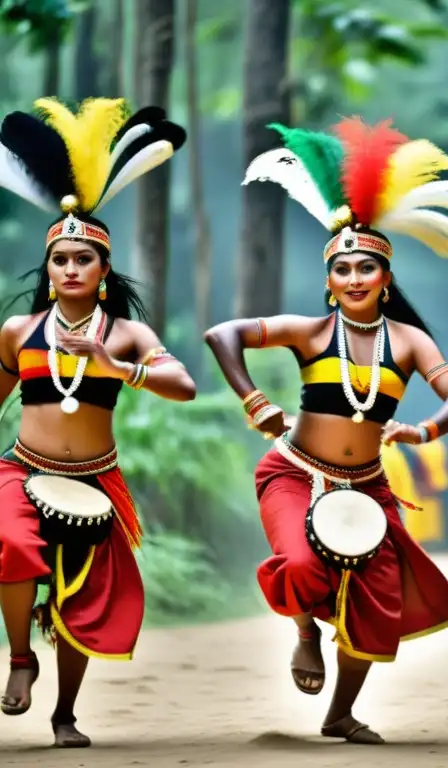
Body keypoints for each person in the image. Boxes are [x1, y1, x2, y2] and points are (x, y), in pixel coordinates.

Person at [204, 117, 448, 744]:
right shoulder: (311, 333)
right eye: (345, 270)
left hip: (367, 485)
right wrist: (256, 400)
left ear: (386, 280)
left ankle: (340, 713)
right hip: (294, 473)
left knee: (380, 598)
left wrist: (418, 432)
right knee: (301, 563)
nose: (357, 278)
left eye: (369, 268)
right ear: (330, 281)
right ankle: (306, 630)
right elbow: (222, 335)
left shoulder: (412, 341)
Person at [0, 97, 195, 747]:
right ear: (50, 269)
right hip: (21, 470)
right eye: (61, 260)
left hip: (94, 479)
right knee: (15, 547)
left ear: (103, 272)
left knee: (83, 601)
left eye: (84, 260)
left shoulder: (128, 333)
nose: (71, 268)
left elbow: (185, 386)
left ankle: (65, 716)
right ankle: (21, 657)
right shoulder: (19, 331)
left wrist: (114, 364)